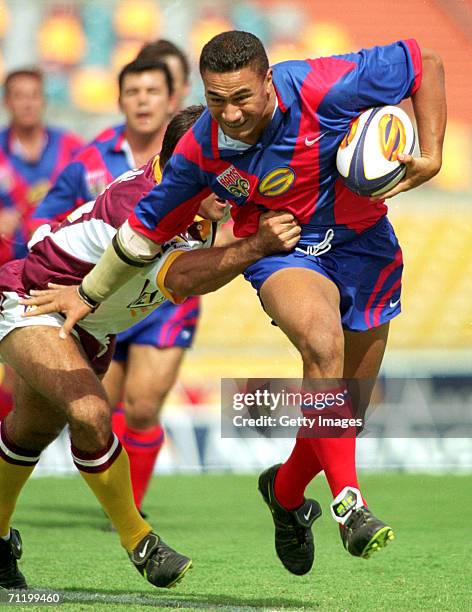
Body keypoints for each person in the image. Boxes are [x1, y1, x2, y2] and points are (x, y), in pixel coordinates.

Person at [20, 31, 446, 576]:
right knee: (321, 342)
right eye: (216, 99)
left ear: (269, 81)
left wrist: (431, 155)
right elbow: (141, 233)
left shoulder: (323, 84)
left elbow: (425, 62)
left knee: (347, 411)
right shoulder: (201, 147)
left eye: (242, 97)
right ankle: (350, 505)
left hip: (366, 246)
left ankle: (286, 494)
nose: (230, 113)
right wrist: (87, 293)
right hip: (283, 247)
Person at [0, 104, 301, 590]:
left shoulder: (209, 187)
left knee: (29, 433)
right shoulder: (144, 206)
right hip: (33, 303)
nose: (234, 178)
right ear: (190, 163)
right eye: (223, 166)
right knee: (91, 412)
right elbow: (182, 274)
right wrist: (255, 246)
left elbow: (257, 194)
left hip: (91, 324)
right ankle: (140, 540)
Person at [33, 56, 186, 513]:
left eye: (153, 92)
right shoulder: (92, 157)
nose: (142, 101)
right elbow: (49, 213)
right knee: (104, 406)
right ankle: (114, 501)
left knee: (143, 405)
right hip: (98, 298)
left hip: (162, 299)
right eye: (133, 92)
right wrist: (43, 253)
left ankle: (132, 510)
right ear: (118, 100)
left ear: (171, 99)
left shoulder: (196, 159)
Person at [0, 68, 83, 265]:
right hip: (6, 269)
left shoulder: (72, 147)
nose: (27, 104)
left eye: (34, 96)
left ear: (44, 101)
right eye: (19, 96)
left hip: (61, 266)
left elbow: (93, 201)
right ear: (7, 102)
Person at [137, 39, 191, 111]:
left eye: (169, 81)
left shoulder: (206, 121)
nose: (162, 90)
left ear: (186, 86)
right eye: (153, 84)